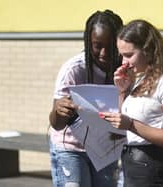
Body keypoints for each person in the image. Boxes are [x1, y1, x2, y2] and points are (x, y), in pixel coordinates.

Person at [100, 19, 163, 187]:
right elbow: (125, 126)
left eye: (129, 55)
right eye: (121, 55)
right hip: (132, 167)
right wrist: (123, 91)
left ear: (148, 50)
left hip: (153, 170)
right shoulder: (139, 80)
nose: (124, 62)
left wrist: (130, 124)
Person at [48, 10, 123, 187]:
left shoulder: (124, 70)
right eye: (97, 46)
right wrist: (59, 110)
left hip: (105, 150)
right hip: (71, 148)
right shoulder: (73, 70)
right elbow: (56, 123)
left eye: (110, 45)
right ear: (88, 43)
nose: (104, 53)